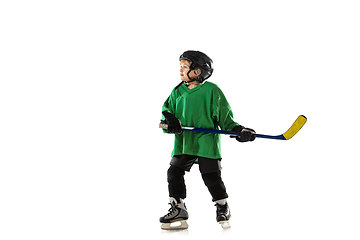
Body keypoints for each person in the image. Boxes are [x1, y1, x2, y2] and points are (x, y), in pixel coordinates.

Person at [159, 50, 256, 230]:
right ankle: (178, 207)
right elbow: (167, 111)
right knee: (173, 173)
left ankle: (222, 206)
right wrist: (170, 121)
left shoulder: (212, 91)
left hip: (206, 142)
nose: (180, 70)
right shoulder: (177, 91)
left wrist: (239, 131)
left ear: (197, 71)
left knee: (211, 176)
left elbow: (226, 119)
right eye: (180, 66)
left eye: (185, 67)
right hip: (184, 142)